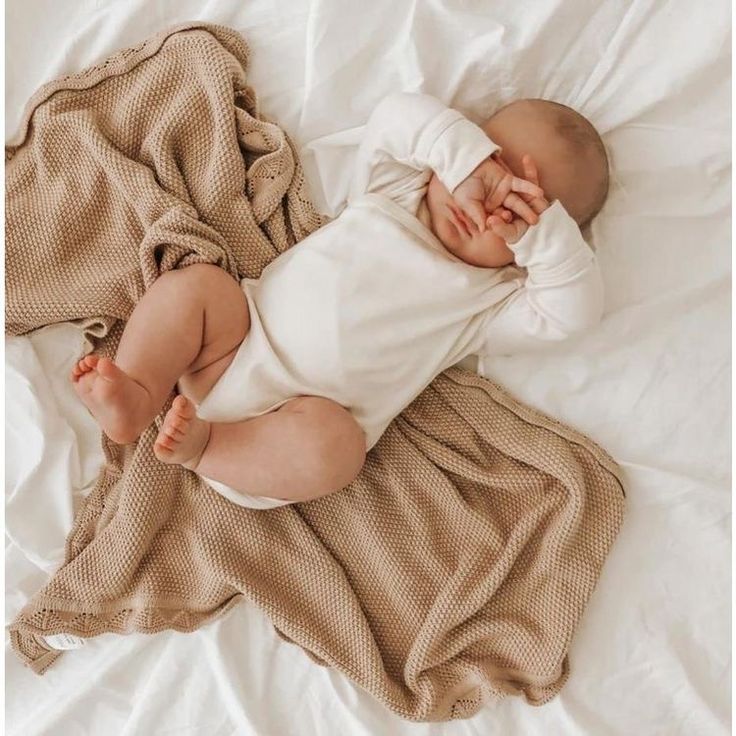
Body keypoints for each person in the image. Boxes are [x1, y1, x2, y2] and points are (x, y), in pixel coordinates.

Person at [71, 92, 608, 509]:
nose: (488, 201)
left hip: (286, 430)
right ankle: (137, 392)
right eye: (491, 168)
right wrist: (470, 164)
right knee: (199, 286)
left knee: (339, 449)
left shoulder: (490, 301)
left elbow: (575, 314)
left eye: (519, 203)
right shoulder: (395, 190)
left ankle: (204, 450)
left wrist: (537, 233)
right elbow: (398, 115)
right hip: (232, 340)